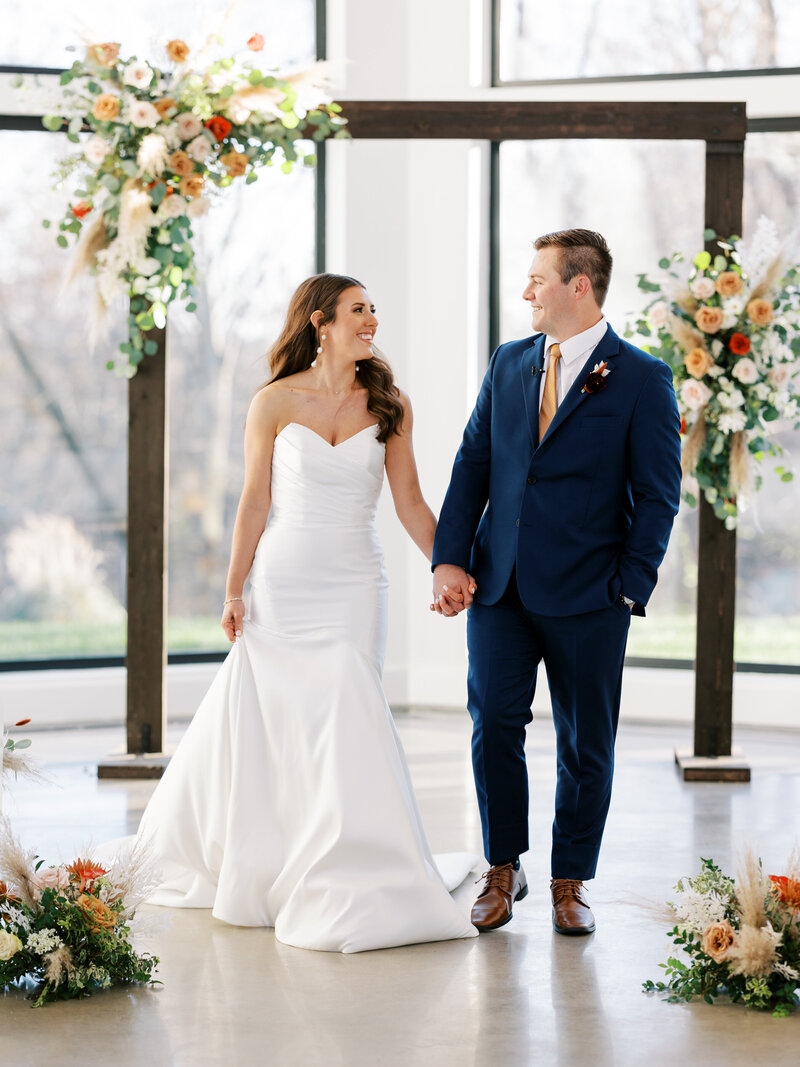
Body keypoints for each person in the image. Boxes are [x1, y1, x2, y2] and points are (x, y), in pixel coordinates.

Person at [127, 273, 478, 953]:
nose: (372, 319)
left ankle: (350, 869)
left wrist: (449, 564)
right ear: (320, 323)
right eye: (357, 310)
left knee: (347, 706)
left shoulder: (391, 405)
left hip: (353, 581)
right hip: (285, 580)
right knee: (284, 721)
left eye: (374, 308)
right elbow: (254, 500)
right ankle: (279, 860)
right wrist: (234, 589)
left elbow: (408, 501)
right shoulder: (273, 402)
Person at [431, 229, 681, 935]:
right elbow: (472, 462)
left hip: (591, 595)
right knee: (493, 728)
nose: (526, 292)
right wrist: (450, 556)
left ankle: (571, 880)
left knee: (585, 743)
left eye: (538, 278)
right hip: (499, 586)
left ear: (580, 285)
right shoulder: (509, 363)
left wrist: (628, 586)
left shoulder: (640, 376)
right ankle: (501, 868)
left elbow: (660, 493)